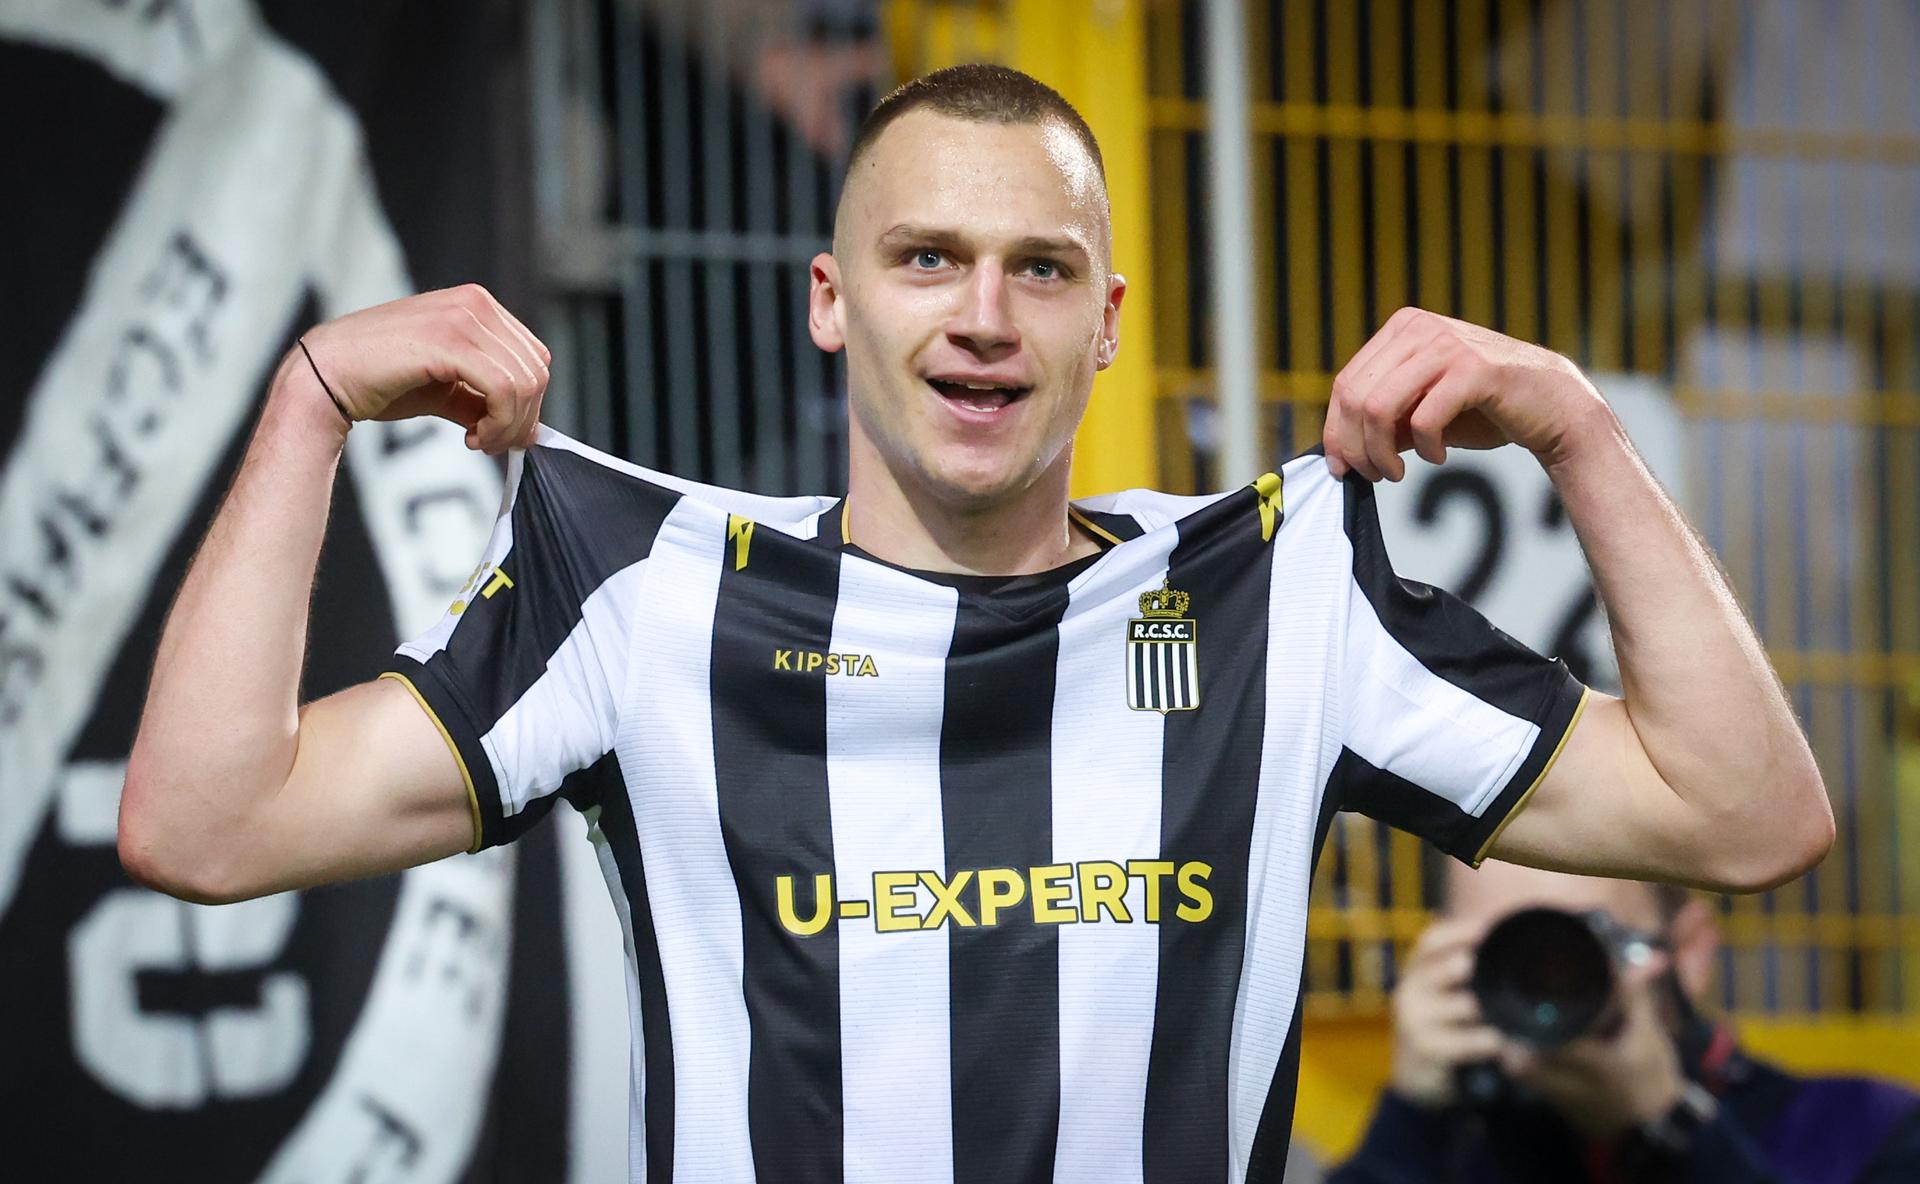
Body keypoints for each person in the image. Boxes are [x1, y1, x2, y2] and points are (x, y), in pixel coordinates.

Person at [118, 64, 1832, 1183]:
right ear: (829, 297)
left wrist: (1579, 430)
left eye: (1040, 268)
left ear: (1109, 320)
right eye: (927, 257)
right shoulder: (647, 597)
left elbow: (1747, 814)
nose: (985, 318)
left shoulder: (1282, 597)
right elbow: (202, 820)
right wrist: (305, 403)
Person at [1327, 860, 1920, 1183]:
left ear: (1687, 954)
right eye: (1506, 950)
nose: (1546, 983)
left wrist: (1668, 1129)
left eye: (1581, 947)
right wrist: (1411, 1123)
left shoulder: (1867, 1132)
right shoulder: (1452, 1153)